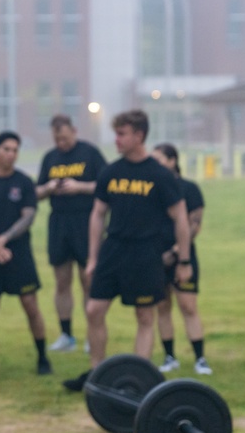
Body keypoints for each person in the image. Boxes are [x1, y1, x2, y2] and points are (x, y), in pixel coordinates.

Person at [63, 110, 191, 392]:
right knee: (95, 310)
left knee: (145, 317)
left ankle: (137, 381)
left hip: (145, 253)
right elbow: (98, 214)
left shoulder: (160, 175)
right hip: (114, 250)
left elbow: (180, 218)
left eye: (122, 134)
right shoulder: (112, 171)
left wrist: (184, 259)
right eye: (116, 133)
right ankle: (97, 376)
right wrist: (93, 258)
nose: (117, 140)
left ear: (139, 136)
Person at [0, 131, 52, 377]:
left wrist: (3, 239)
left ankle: (42, 358)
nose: (11, 154)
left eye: (15, 150)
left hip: (19, 253)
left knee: (30, 304)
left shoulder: (24, 182)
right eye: (7, 149)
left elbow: (28, 216)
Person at [35, 114, 108, 352]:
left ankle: (91, 334)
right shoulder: (50, 157)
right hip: (59, 223)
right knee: (61, 281)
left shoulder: (90, 153)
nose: (61, 143)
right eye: (57, 139)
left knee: (88, 280)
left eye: (65, 138)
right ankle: (66, 335)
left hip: (85, 222)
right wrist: (49, 187)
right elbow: (37, 191)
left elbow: (106, 185)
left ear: (74, 131)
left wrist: (80, 186)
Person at [151, 143, 212, 376]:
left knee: (188, 305)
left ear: (172, 161)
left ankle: (200, 358)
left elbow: (194, 224)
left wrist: (177, 252)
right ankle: (169, 356)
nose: (154, 164)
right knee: (162, 305)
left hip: (182, 256)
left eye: (159, 160)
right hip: (156, 255)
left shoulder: (189, 188)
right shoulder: (151, 189)